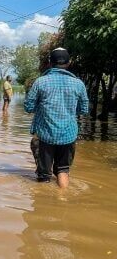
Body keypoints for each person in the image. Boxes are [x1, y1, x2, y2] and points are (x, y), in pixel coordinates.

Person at [24, 48, 89, 188]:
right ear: (69, 62)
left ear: (50, 63)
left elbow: (28, 107)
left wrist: (42, 108)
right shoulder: (78, 84)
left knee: (44, 175)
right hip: (68, 135)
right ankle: (62, 199)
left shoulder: (40, 82)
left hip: (45, 135)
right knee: (63, 170)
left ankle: (46, 204)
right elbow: (83, 110)